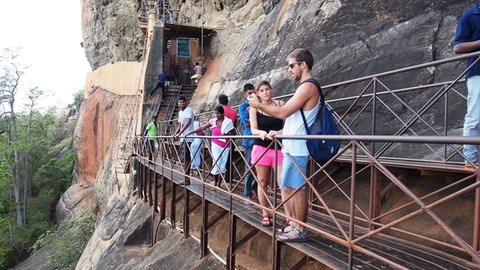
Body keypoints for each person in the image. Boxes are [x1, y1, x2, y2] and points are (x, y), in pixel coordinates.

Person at [248, 48, 320, 242]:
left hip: (298, 147)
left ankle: (300, 228)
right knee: (288, 186)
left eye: (291, 65)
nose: (289, 70)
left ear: (302, 64)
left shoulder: (308, 87)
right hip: (289, 146)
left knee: (297, 189)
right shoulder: (303, 87)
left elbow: (283, 113)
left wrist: (258, 105)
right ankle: (295, 225)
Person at [249, 81, 291, 227]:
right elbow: (253, 129)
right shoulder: (254, 108)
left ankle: (288, 215)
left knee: (283, 181)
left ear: (271, 90)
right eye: (262, 90)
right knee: (263, 181)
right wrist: (261, 132)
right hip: (261, 147)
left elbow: (289, 126)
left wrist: (278, 133)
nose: (265, 92)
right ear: (258, 93)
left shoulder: (280, 104)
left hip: (278, 147)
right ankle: (265, 213)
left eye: (267, 89)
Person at [453, 4, 480, 169]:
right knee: (475, 116)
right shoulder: (469, 16)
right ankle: (470, 161)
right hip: (477, 73)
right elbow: (458, 47)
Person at [187, 105, 234, 189]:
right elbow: (202, 127)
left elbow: (233, 132)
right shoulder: (213, 121)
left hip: (226, 145)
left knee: (223, 164)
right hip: (215, 144)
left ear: (222, 114)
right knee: (216, 161)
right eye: (215, 113)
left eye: (218, 113)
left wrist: (227, 134)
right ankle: (215, 182)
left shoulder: (228, 122)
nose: (216, 115)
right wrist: (192, 132)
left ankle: (219, 183)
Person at [238, 83, 258, 204]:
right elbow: (247, 123)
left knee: (262, 166)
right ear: (245, 94)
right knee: (249, 166)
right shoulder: (243, 106)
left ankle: (254, 187)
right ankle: (247, 194)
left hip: (260, 138)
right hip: (250, 138)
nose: (252, 95)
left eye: (253, 92)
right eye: (249, 93)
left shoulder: (259, 104)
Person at [173, 96, 195, 185]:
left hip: (188, 137)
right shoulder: (180, 113)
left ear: (185, 102)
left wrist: (180, 133)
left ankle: (187, 180)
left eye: (183, 102)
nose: (181, 103)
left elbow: (188, 122)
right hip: (183, 137)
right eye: (180, 102)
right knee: (184, 158)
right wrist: (175, 133)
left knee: (186, 158)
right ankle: (186, 178)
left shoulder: (188, 110)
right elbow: (180, 124)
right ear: (178, 104)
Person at [218, 94, 238, 185]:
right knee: (229, 158)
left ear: (219, 102)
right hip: (231, 136)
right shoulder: (233, 111)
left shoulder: (220, 111)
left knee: (220, 158)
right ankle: (229, 180)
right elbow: (235, 124)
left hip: (222, 137)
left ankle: (219, 180)